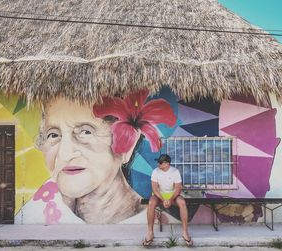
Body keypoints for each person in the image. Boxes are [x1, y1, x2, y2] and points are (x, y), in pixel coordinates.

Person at [16, 90, 176, 224]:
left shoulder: (157, 221)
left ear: (129, 144)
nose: (64, 155)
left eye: (86, 132)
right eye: (53, 134)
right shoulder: (35, 207)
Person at [144, 154, 193, 246]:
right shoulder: (155, 171)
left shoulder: (175, 172)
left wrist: (170, 199)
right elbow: (155, 189)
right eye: (158, 162)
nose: (158, 164)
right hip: (159, 195)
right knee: (151, 202)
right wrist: (163, 199)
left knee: (182, 202)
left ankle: (185, 232)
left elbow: (178, 189)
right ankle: (150, 232)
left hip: (173, 195)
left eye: (160, 162)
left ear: (167, 164)